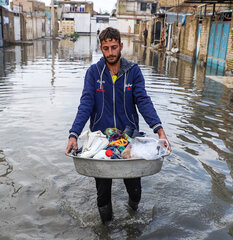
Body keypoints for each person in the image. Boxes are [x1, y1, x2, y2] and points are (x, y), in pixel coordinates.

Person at [65, 27, 171, 223]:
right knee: (103, 195)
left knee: (135, 191)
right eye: (106, 48)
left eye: (114, 47)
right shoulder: (94, 72)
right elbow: (86, 104)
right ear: (101, 48)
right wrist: (73, 134)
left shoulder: (133, 72)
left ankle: (132, 215)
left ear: (121, 46)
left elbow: (144, 101)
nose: (111, 52)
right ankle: (106, 228)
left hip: (128, 141)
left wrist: (160, 131)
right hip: (101, 142)